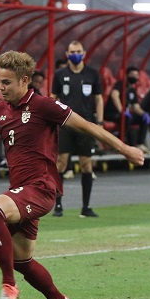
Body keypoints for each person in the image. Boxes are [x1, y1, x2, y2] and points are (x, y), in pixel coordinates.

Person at [0, 51, 144, 299]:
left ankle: (8, 285)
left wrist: (125, 149)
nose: (0, 88)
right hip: (21, 191)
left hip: (42, 187)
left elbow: (87, 126)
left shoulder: (43, 106)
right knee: (22, 260)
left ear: (25, 80)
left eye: (7, 82)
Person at [50, 41, 103, 218]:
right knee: (61, 163)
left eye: (78, 51)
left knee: (86, 164)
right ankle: (58, 206)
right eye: (72, 51)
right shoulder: (60, 74)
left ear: (84, 53)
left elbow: (98, 99)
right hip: (65, 124)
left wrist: (99, 122)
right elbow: (53, 98)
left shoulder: (92, 74)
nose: (75, 54)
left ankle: (85, 207)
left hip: (86, 124)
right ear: (67, 54)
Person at [104, 66, 150, 149]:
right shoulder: (120, 84)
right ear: (127, 75)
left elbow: (136, 107)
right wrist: (122, 111)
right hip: (112, 113)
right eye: (132, 74)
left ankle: (140, 143)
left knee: (142, 118)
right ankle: (121, 142)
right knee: (126, 118)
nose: (134, 77)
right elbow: (114, 95)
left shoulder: (132, 90)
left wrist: (144, 114)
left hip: (124, 115)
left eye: (136, 75)